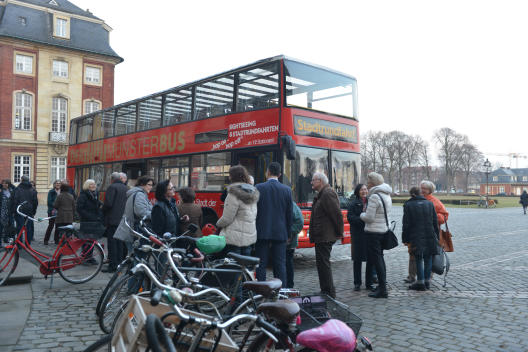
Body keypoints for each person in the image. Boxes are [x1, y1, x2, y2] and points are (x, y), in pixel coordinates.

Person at [403, 180, 449, 283]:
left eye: (425, 188)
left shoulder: (435, 202)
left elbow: (444, 216)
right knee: (413, 254)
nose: (422, 190)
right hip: (416, 233)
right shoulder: (414, 200)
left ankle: (428, 277)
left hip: (430, 232)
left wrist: (431, 216)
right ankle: (412, 275)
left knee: (429, 255)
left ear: (430, 190)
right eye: (421, 188)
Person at [255, 162, 292, 285]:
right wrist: (288, 234)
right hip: (280, 232)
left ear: (268, 172)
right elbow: (289, 214)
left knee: (261, 264)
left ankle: (260, 291)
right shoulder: (287, 190)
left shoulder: (259, 188)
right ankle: (281, 292)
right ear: (280, 174)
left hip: (262, 231)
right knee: (280, 264)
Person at [309, 172, 344, 298]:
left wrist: (339, 232)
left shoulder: (327, 193)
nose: (311, 182)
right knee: (321, 264)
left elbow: (336, 214)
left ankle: (328, 292)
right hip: (322, 235)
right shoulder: (322, 194)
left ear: (320, 181)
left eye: (313, 180)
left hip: (325, 236)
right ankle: (326, 290)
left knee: (323, 264)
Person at [360, 172, 392, 299]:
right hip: (383, 230)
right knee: (380, 259)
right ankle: (382, 286)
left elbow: (369, 217)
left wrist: (361, 214)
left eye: (368, 182)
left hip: (374, 232)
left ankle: (383, 289)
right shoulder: (386, 195)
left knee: (377, 260)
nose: (367, 184)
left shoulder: (374, 197)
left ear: (372, 183)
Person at [216, 165, 259, 256]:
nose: (229, 177)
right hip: (249, 237)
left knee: (233, 266)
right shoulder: (252, 192)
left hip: (234, 238)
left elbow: (227, 218)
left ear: (233, 177)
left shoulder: (233, 193)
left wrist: (218, 224)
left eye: (230, 175)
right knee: (244, 265)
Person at [402, 187, 439, 291]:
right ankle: (427, 282)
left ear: (412, 195)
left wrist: (405, 238)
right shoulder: (429, 204)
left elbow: (406, 224)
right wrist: (437, 237)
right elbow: (434, 222)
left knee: (418, 258)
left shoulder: (408, 205)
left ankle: (420, 282)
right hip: (430, 234)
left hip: (416, 236)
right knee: (428, 258)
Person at [347, 183, 375, 291]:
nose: (364, 191)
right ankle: (357, 283)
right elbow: (350, 218)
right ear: (358, 191)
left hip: (369, 234)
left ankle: (369, 283)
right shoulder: (353, 203)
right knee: (357, 260)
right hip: (358, 235)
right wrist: (362, 219)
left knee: (370, 260)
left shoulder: (371, 202)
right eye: (362, 189)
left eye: (365, 189)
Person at [114, 176, 154, 250]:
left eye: (151, 185)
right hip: (135, 230)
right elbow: (141, 212)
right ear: (142, 184)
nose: (151, 187)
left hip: (133, 229)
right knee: (137, 255)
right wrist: (155, 215)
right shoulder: (139, 194)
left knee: (134, 254)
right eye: (149, 184)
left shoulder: (140, 194)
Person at [102, 172, 129, 272]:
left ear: (112, 179)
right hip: (122, 219)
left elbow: (108, 203)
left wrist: (102, 210)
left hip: (113, 219)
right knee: (120, 243)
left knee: (112, 243)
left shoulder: (112, 187)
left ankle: (113, 265)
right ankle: (120, 263)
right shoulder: (126, 188)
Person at [11, 175, 38, 244]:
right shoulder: (32, 190)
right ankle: (27, 243)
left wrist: (13, 211)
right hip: (29, 211)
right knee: (28, 228)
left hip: (19, 211)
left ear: (22, 180)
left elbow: (14, 201)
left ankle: (19, 244)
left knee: (19, 227)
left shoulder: (17, 189)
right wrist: (33, 211)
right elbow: (35, 202)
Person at [286, 201, 304, 288]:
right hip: (281, 241)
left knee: (288, 263)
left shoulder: (291, 204)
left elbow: (300, 222)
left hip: (289, 243)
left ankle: (289, 287)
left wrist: (288, 232)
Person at [44, 180, 61, 245]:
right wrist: (56, 206)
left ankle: (56, 240)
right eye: (57, 183)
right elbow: (49, 202)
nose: (58, 184)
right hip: (52, 211)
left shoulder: (62, 192)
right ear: (54, 184)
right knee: (50, 226)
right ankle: (46, 240)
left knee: (58, 226)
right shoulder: (51, 192)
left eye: (59, 183)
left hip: (59, 212)